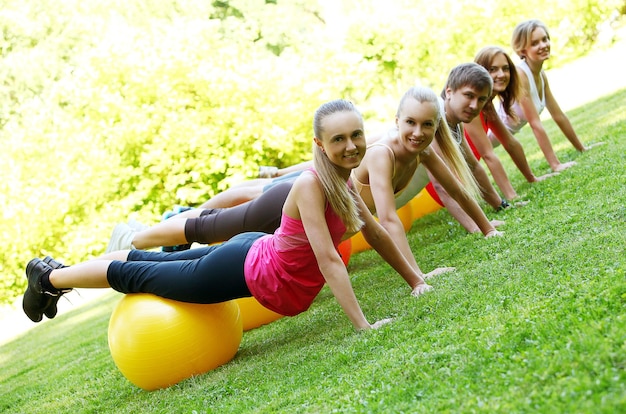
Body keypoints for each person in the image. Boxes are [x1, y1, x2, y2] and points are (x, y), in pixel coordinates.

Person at [23, 99, 427, 330]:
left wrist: (417, 282)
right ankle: (48, 277)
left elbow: (373, 233)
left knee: (144, 264)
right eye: (338, 139)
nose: (352, 145)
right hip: (242, 268)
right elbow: (326, 258)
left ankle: (56, 274)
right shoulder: (311, 184)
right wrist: (364, 325)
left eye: (356, 135)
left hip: (252, 252)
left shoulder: (343, 181)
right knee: (138, 274)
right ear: (320, 145)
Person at [107, 87, 501, 289]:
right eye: (410, 123)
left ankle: (157, 240)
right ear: (396, 121)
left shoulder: (422, 150)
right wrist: (420, 276)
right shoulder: (381, 154)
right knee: (210, 227)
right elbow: (386, 221)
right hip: (293, 201)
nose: (418, 132)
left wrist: (488, 228)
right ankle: (133, 237)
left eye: (426, 125)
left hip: (319, 212)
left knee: (220, 233)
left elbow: (459, 189)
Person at [499, 19, 602, 172]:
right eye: (534, 43)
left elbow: (558, 115)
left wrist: (582, 148)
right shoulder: (521, 75)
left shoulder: (540, 74)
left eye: (545, 39)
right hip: (488, 136)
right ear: (522, 50)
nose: (543, 45)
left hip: (501, 135)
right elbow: (535, 124)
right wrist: (555, 165)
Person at [428, 63, 515, 233]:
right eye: (469, 95)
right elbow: (440, 184)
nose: (475, 105)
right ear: (449, 92)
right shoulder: (434, 117)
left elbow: (473, 166)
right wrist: (476, 227)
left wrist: (500, 205)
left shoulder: (454, 122)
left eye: (481, 99)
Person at [463, 45, 557, 201]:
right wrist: (511, 196)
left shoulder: (486, 104)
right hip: (442, 183)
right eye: (492, 69)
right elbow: (488, 155)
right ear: (480, 72)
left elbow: (510, 143)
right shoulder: (471, 106)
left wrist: (531, 178)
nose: (501, 74)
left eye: (505, 69)